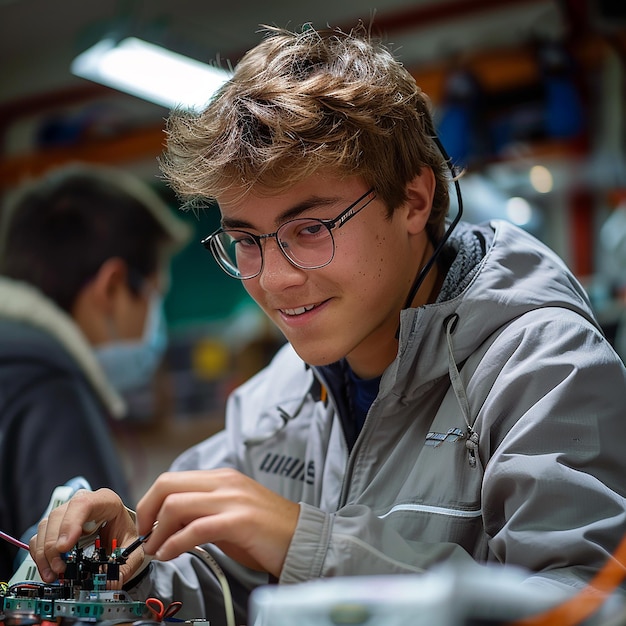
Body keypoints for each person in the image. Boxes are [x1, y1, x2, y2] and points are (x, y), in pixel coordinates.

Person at [30, 24, 626, 625]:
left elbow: (583, 607)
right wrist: (125, 570)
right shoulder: (277, 395)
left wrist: (309, 547)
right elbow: (222, 581)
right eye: (246, 240)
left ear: (415, 200)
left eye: (311, 230)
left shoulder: (544, 367)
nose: (273, 279)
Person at [0, 162, 190, 580]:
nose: (157, 325)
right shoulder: (46, 379)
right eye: (155, 297)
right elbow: (86, 583)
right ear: (112, 287)